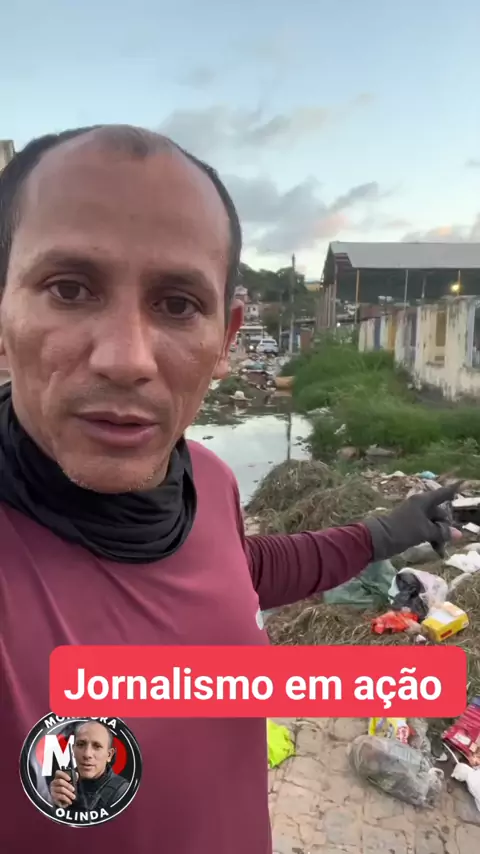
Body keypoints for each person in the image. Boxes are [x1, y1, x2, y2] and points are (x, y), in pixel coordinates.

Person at [0, 124, 458, 854]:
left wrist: (387, 533)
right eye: (70, 289)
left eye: (177, 303)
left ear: (226, 337)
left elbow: (236, 572)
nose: (126, 358)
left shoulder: (206, 479)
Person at [50, 721, 129, 811]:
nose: (87, 754)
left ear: (109, 755)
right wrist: (53, 806)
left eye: (97, 746)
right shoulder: (62, 785)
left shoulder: (123, 792)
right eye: (81, 744)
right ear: (73, 750)